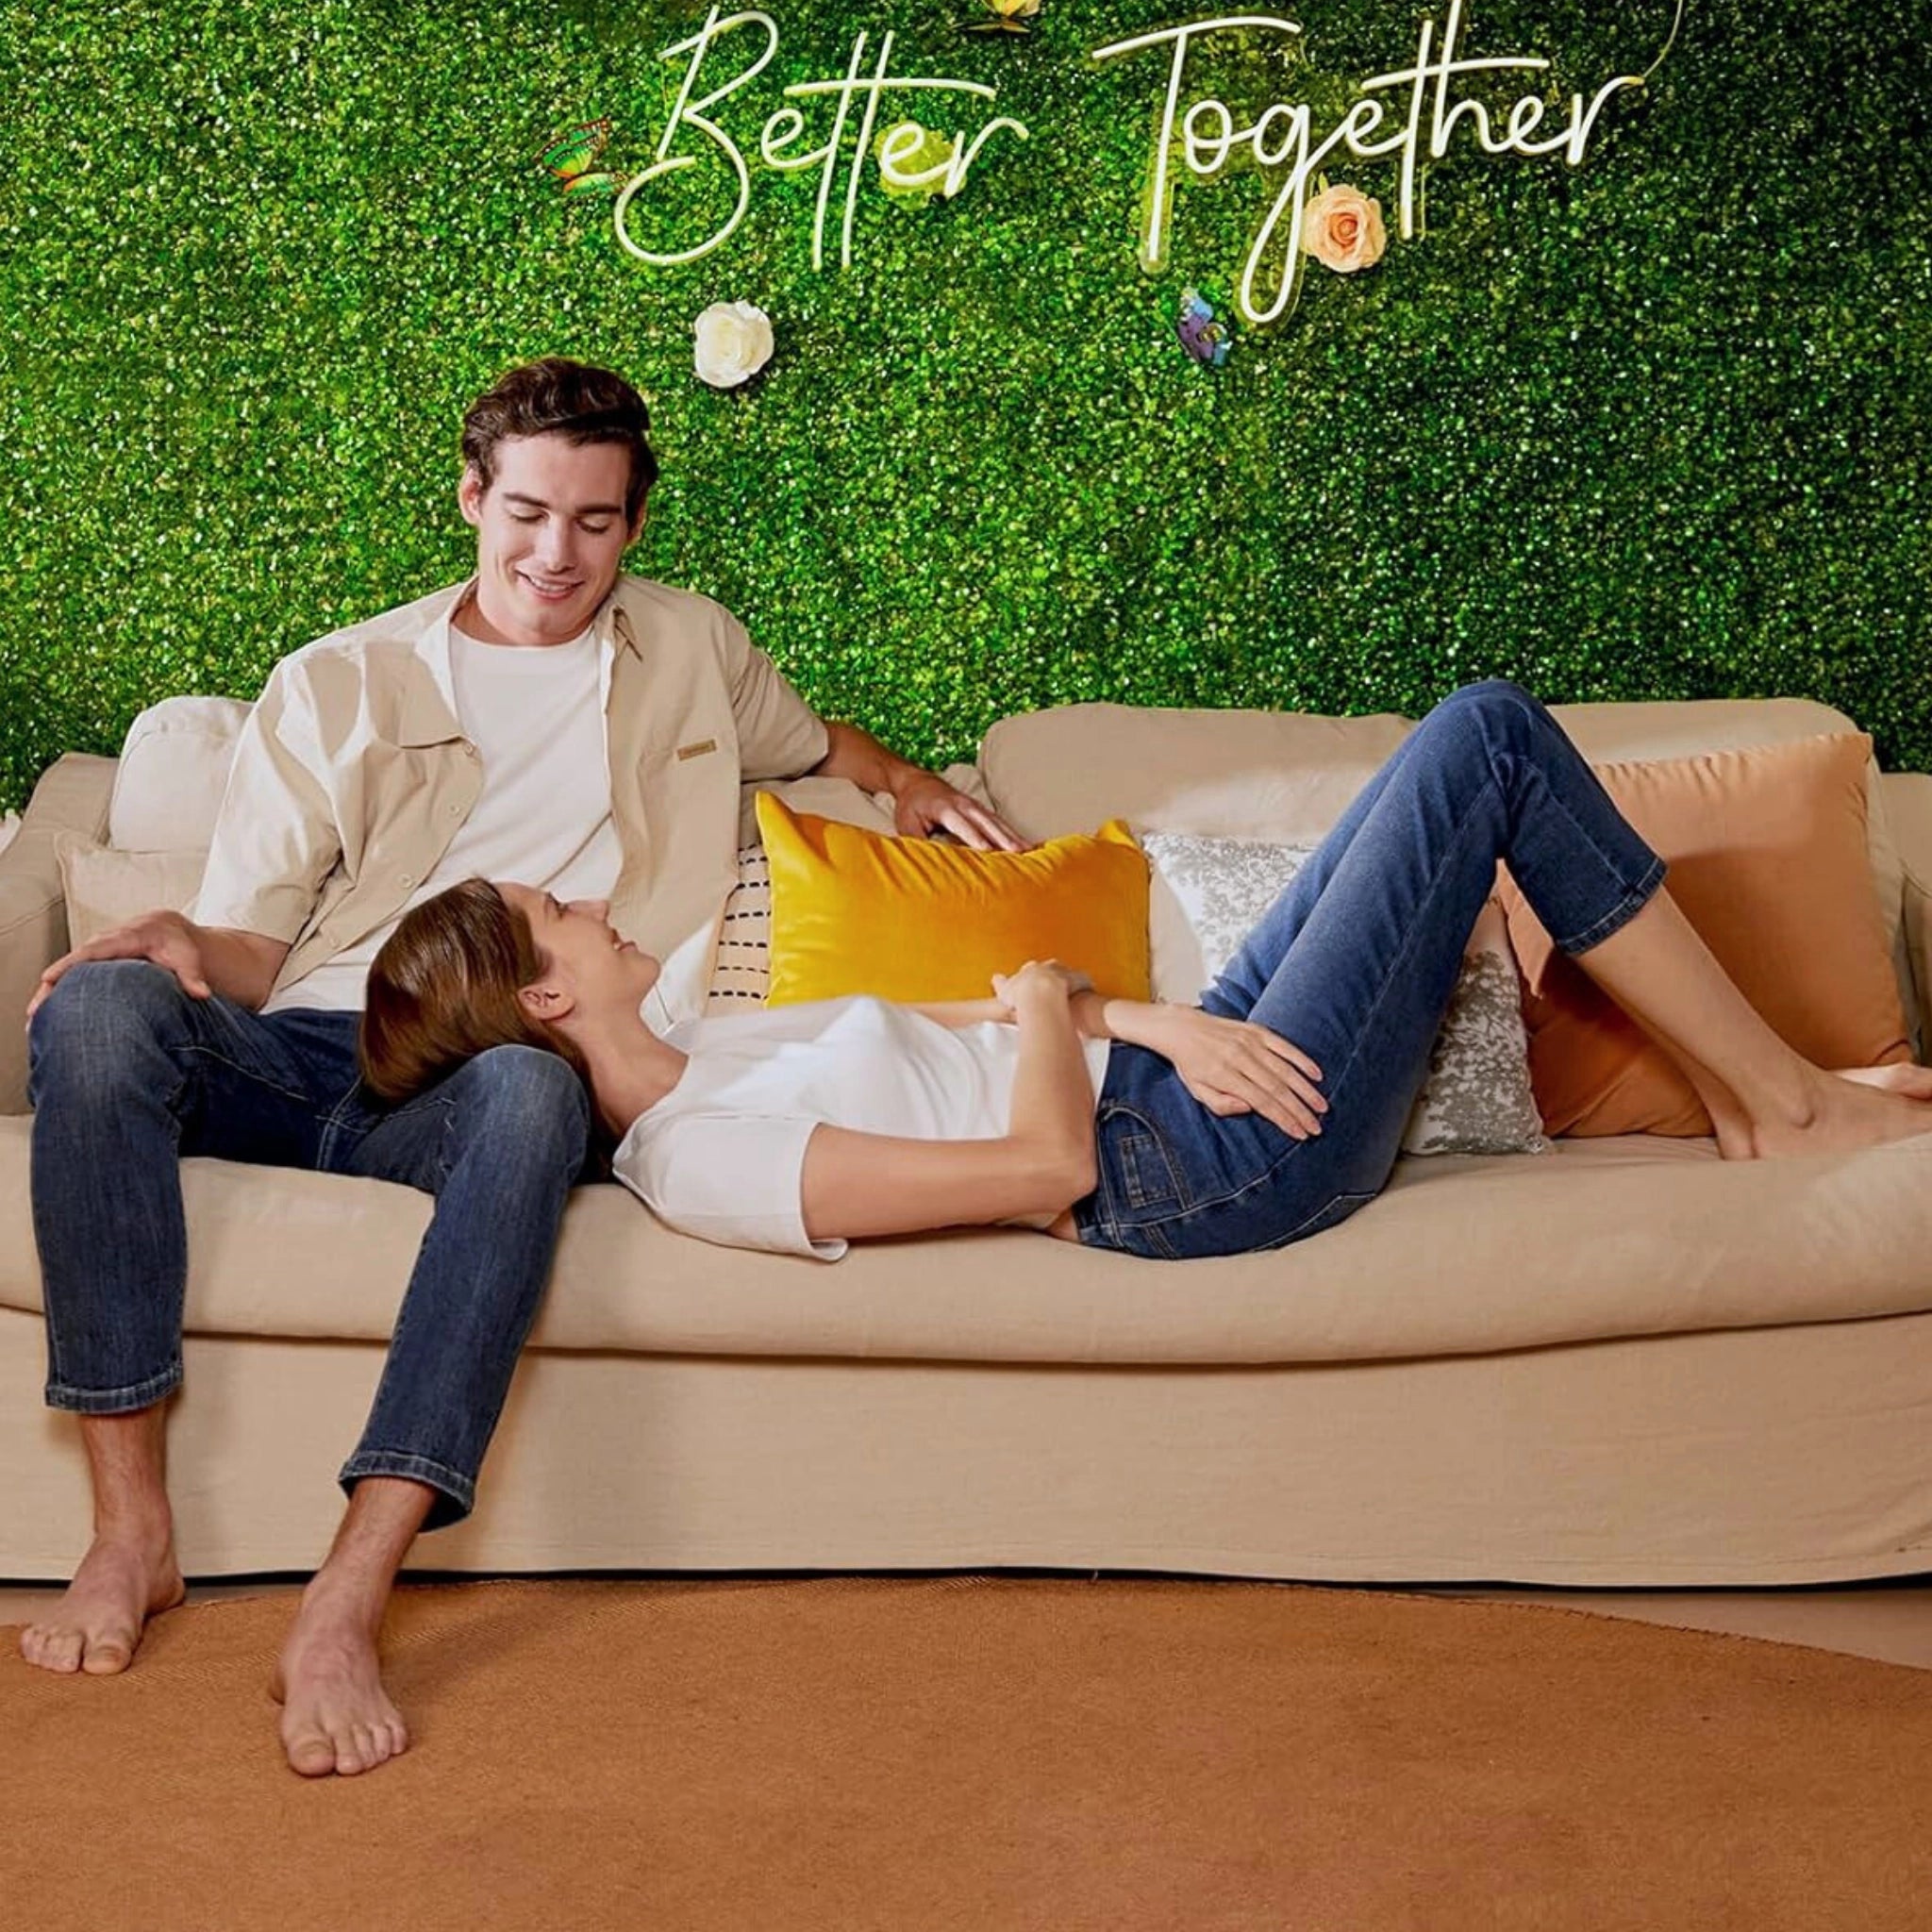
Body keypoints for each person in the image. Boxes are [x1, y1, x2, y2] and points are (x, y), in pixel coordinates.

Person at [19, 357, 1020, 1777]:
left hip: (497, 1083)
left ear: (637, 523)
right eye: (530, 515)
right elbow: (251, 943)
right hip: (313, 1042)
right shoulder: (337, 682)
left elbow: (813, 741)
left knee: (537, 1083)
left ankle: (350, 1591)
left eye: (597, 524)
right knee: (99, 1010)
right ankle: (132, 1535)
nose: (558, 556)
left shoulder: (694, 649)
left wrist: (906, 781)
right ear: (474, 499)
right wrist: (176, 934)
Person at [361, 681, 1932, 1273]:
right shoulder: (696, 1159)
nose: (582, 896)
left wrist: (1128, 1009)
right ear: (548, 1000)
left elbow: (978, 1020)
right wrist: (1057, 1009)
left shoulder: (705, 1026)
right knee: (1487, 740)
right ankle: (1784, 1106)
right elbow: (1038, 1168)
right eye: (549, 912)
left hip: (1173, 1080)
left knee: (1464, 755)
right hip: (1194, 1171)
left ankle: (1753, 1101)